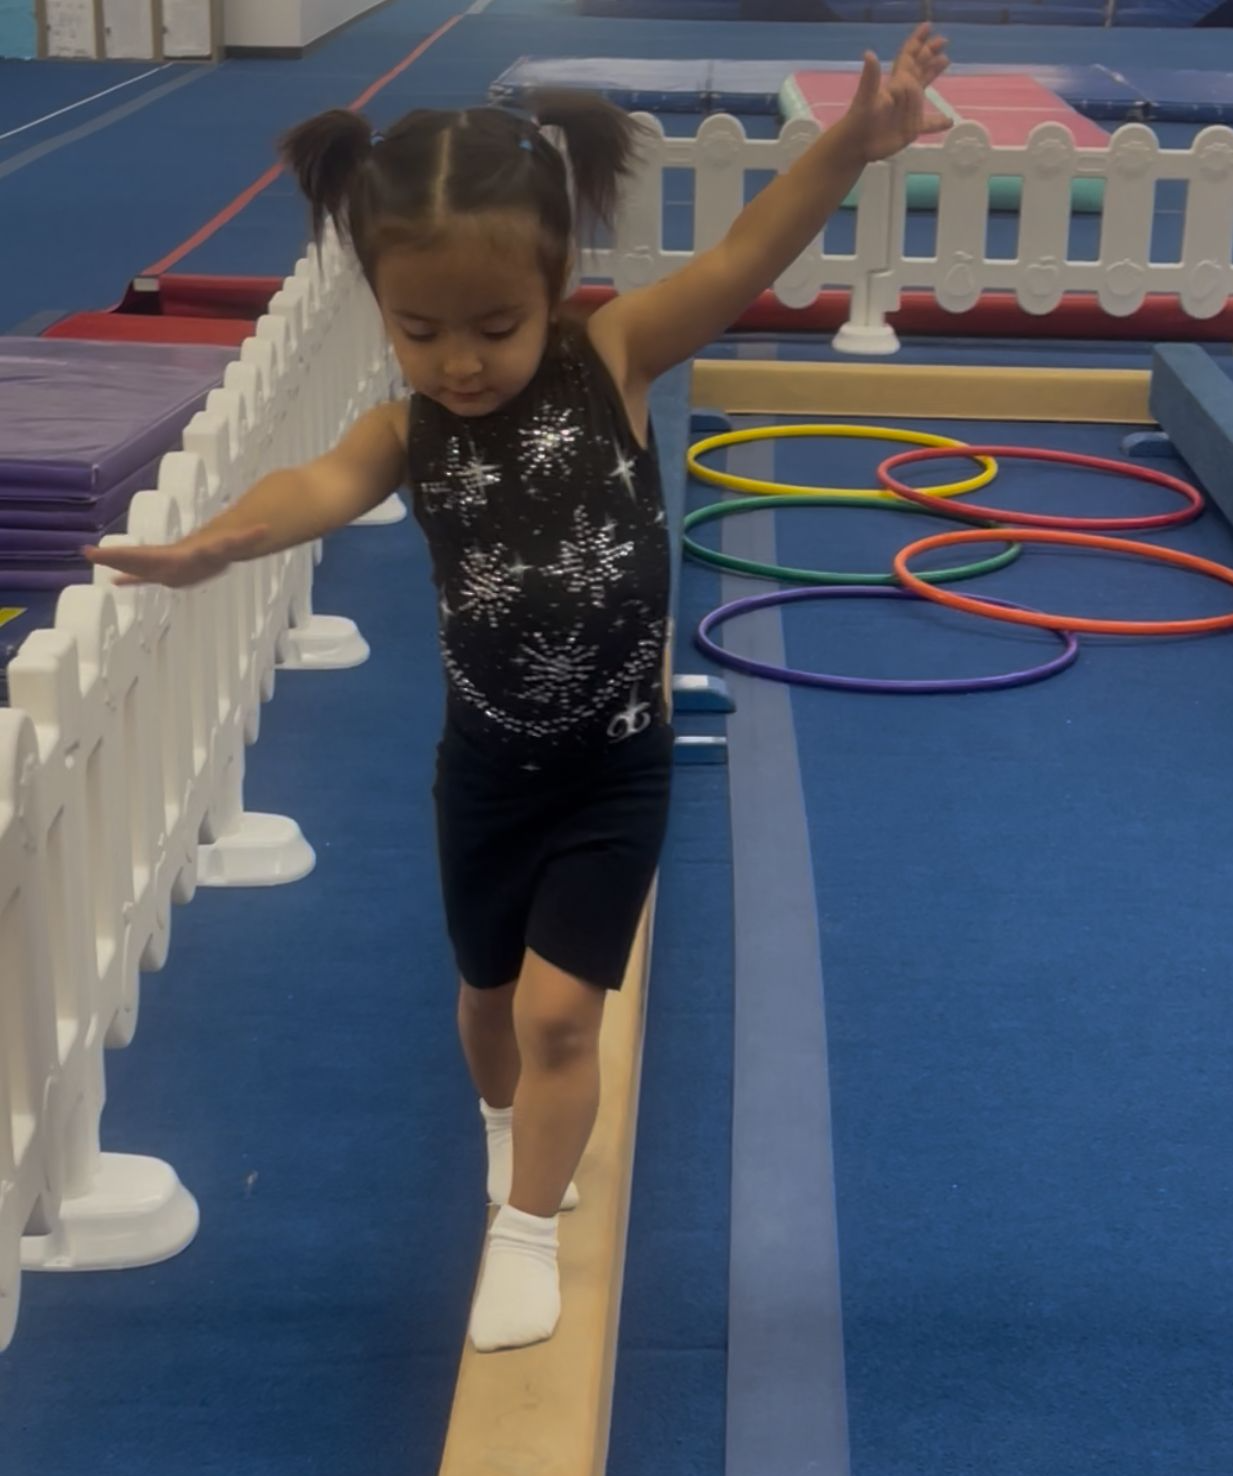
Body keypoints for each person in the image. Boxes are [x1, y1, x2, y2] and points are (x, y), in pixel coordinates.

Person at [85, 24, 951, 1353]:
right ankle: (506, 1130)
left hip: (615, 763)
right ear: (380, 306)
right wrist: (219, 543)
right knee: (488, 1002)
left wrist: (849, 142)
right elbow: (307, 488)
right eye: (418, 329)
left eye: (495, 325)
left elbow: (743, 258)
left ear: (557, 284)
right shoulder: (404, 432)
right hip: (485, 773)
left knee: (560, 1016)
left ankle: (528, 1227)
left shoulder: (613, 360)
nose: (460, 361)